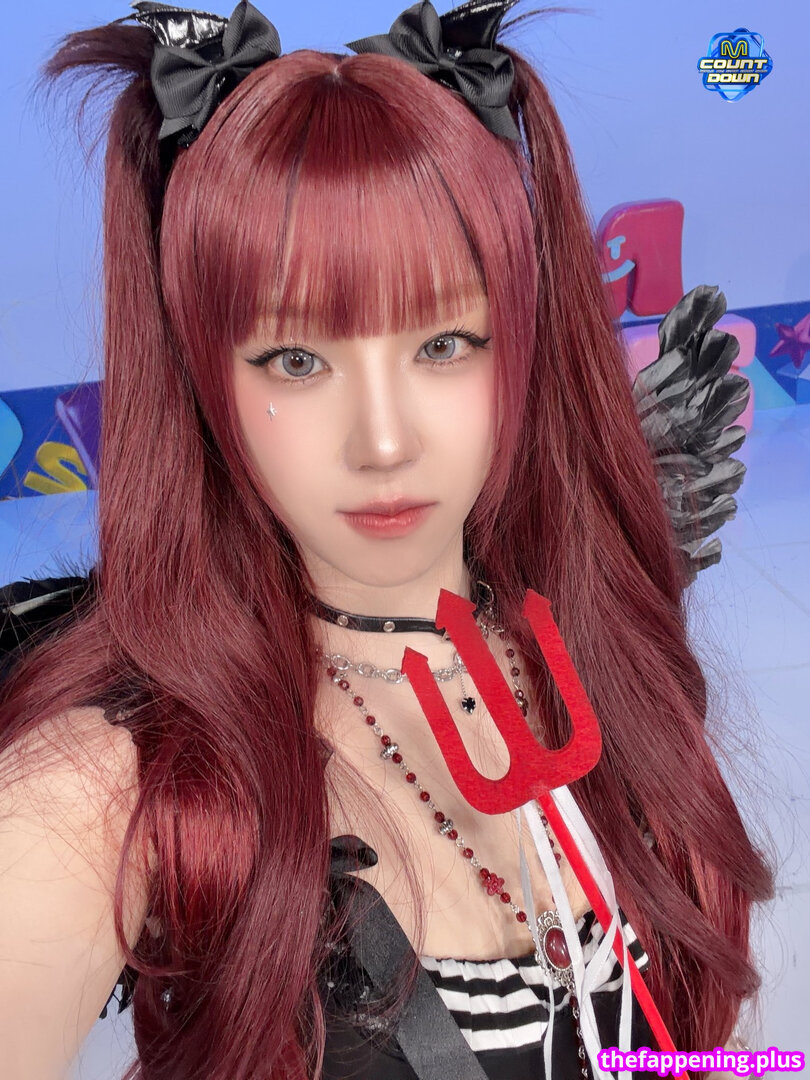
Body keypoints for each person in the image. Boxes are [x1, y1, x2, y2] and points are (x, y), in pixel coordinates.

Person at [0, 1, 774, 1078]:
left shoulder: (595, 656)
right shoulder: (129, 780)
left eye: (445, 343)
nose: (384, 442)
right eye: (296, 360)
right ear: (203, 379)